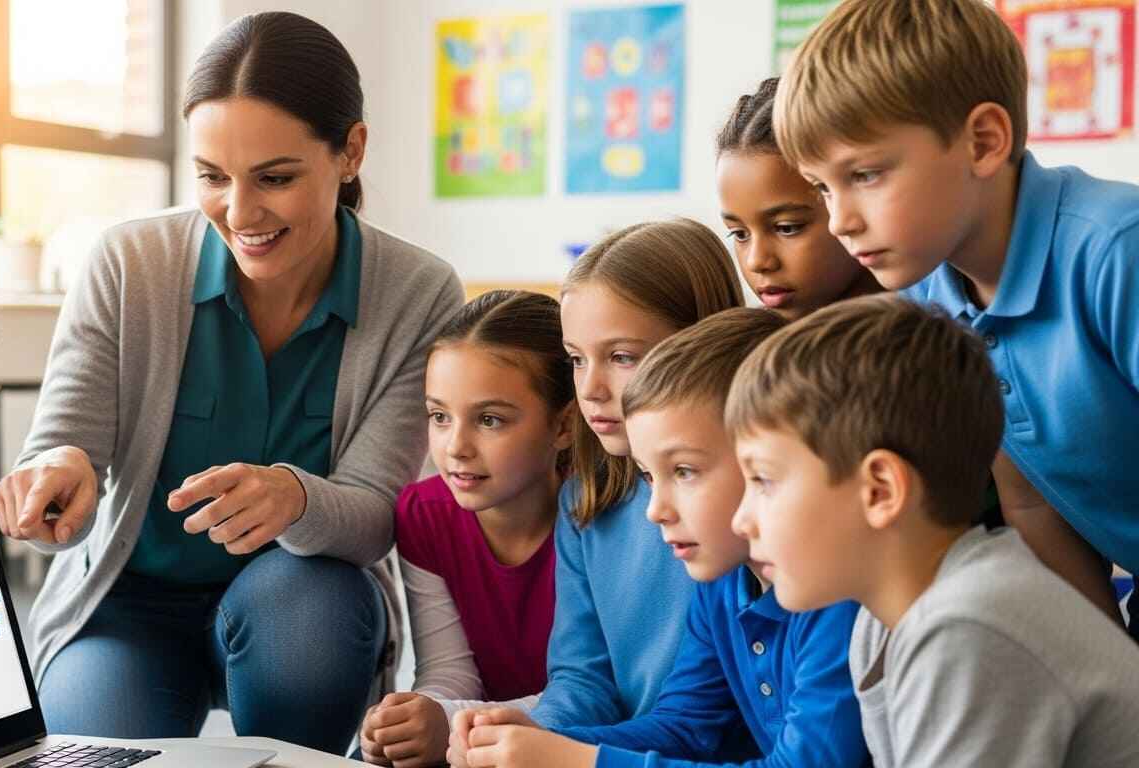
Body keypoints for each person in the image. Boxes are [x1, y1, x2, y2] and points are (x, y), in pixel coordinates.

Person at [0, 11, 463, 753]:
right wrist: (58, 476)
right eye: (212, 177)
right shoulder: (128, 263)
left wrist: (296, 497)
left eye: (274, 178)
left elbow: (375, 515)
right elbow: (65, 446)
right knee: (94, 749)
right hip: (128, 603)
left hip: (299, 600)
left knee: (307, 616)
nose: (240, 213)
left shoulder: (420, 292)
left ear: (351, 152)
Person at [776, 0, 1139, 633]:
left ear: (983, 141)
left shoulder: (1116, 252)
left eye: (864, 174)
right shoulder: (930, 304)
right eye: (823, 187)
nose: (840, 220)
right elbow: (1030, 504)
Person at [728, 295, 1139, 766]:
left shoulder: (967, 625)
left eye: (763, 480)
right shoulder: (881, 625)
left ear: (880, 491)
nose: (742, 521)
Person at [458, 309, 867, 768]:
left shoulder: (838, 596)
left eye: (685, 471)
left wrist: (577, 762)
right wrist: (546, 740)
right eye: (650, 476)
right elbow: (687, 725)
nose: (656, 510)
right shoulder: (722, 583)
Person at [448, 219, 749, 766]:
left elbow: (721, 724)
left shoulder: (737, 506)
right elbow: (583, 675)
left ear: (700, 344)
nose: (590, 389)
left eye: (623, 357)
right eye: (577, 359)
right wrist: (535, 728)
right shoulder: (586, 499)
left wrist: (572, 753)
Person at [360, 290, 574, 767]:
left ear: (564, 426)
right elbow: (449, 672)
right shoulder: (425, 513)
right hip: (481, 740)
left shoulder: (599, 520)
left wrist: (451, 720)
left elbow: (596, 696)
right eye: (439, 416)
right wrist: (416, 716)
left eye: (490, 420)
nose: (455, 446)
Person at [715, 76, 879, 321]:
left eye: (787, 228)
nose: (757, 261)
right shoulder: (748, 352)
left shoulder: (936, 335)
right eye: (740, 234)